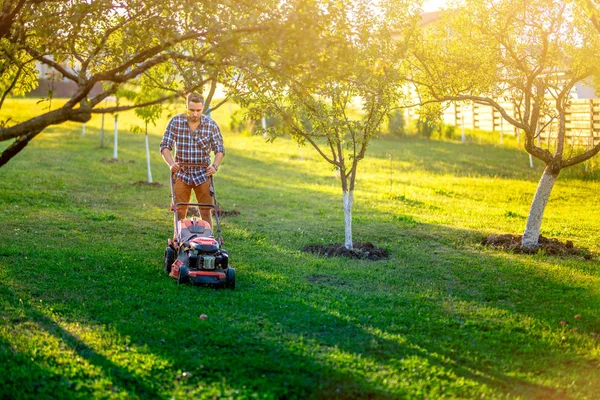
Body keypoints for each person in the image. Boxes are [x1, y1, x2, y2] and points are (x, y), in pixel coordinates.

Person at [160, 92, 225, 227]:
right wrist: (171, 164)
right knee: (180, 210)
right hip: (181, 173)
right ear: (186, 107)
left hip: (203, 174)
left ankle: (208, 240)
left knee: (206, 210)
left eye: (198, 110)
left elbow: (219, 149)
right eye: (192, 110)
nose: (195, 114)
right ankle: (178, 240)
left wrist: (215, 166)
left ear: (203, 109)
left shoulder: (210, 125)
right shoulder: (176, 122)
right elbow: (165, 146)